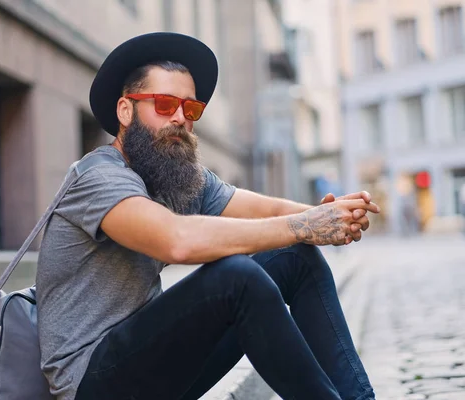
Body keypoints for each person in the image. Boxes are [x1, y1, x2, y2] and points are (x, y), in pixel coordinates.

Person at [36, 32, 379, 400]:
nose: (181, 118)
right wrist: (304, 225)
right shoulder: (97, 176)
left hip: (151, 367)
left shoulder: (173, 177)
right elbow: (177, 241)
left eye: (191, 109)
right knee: (236, 278)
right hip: (91, 383)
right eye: (165, 104)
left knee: (293, 256)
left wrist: (330, 214)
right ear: (125, 111)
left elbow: (272, 210)